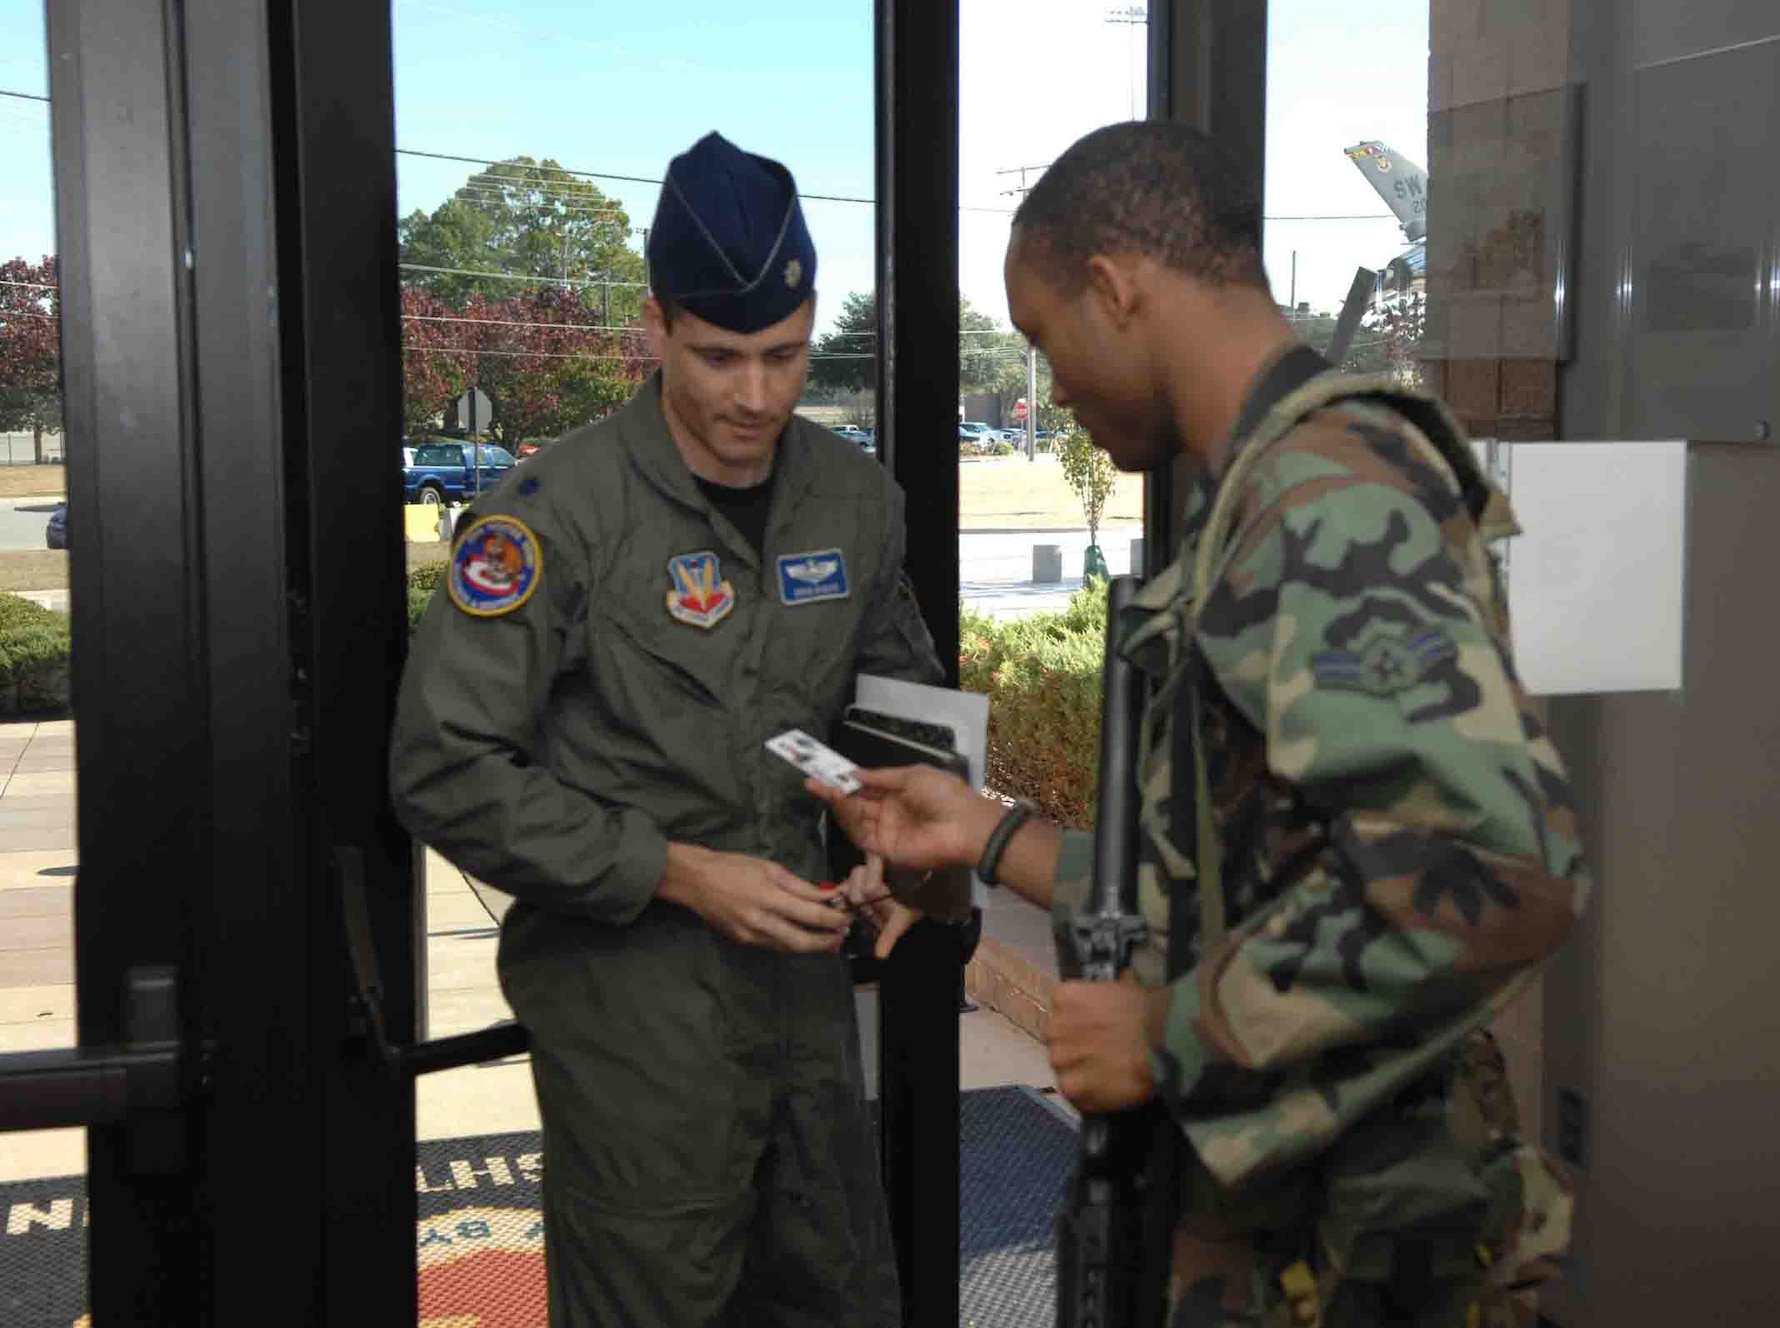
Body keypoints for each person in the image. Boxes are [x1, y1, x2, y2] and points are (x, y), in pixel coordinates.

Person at [810, 121, 1590, 1327]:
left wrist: (1171, 1034)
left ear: (1116, 290)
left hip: (1354, 1255)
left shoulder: (1326, 492)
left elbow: (1492, 860)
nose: (1050, 383)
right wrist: (984, 833)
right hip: (1283, 1234)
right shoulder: (1261, 495)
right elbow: (1239, 878)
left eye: (1040, 337)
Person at [389, 129, 944, 1328]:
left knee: (836, 1295)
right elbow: (443, 764)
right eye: (720, 356)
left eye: (786, 356)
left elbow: (895, 714)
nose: (756, 395)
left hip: (805, 1002)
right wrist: (678, 872)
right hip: (632, 1016)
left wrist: (899, 840)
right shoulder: (549, 516)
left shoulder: (855, 498)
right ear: (652, 327)